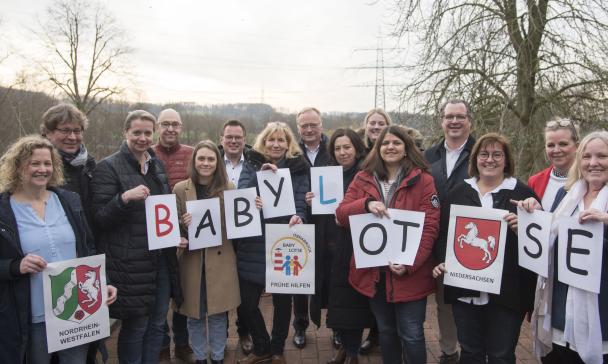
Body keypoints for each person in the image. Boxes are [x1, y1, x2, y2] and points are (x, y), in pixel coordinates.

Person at [0, 135, 117, 363]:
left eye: (47, 163)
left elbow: (87, 249)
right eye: (34, 163)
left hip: (74, 312)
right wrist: (15, 266)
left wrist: (103, 283)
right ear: (17, 167)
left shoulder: (69, 200)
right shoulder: (4, 210)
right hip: (31, 315)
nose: (42, 169)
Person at [336, 125, 440, 364]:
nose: (390, 147)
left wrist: (410, 263)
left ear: (406, 149)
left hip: (410, 274)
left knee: (412, 334)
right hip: (375, 273)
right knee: (386, 332)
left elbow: (430, 228)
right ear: (377, 148)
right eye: (385, 143)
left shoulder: (424, 181)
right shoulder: (363, 178)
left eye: (396, 143)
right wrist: (365, 204)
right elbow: (341, 215)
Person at [433, 133, 538, 364]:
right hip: (465, 290)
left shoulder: (522, 194)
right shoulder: (458, 193)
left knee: (501, 355)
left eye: (497, 154)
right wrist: (441, 260)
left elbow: (537, 245)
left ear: (506, 160)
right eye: (484, 154)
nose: (490, 160)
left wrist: (524, 227)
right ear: (475, 159)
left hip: (507, 292)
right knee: (471, 353)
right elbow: (443, 235)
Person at [90, 110, 183, 364]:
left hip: (160, 258)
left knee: (157, 324)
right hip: (130, 262)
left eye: (147, 133)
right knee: (136, 325)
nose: (142, 138)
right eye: (137, 133)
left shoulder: (156, 164)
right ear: (125, 133)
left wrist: (175, 231)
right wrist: (123, 198)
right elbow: (99, 218)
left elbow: (162, 210)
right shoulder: (108, 168)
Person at [518, 131, 608, 364]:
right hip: (559, 314)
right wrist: (536, 214)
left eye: (602, 156)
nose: (594, 163)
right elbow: (550, 242)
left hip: (601, 319)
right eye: (587, 157)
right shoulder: (566, 194)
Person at [235, 121, 310, 364]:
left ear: (289, 144)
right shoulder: (251, 164)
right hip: (254, 242)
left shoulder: (299, 168)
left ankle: (276, 349)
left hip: (285, 239)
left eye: (281, 140)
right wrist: (260, 177)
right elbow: (243, 195)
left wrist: (301, 215)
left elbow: (301, 200)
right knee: (247, 302)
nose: (276, 144)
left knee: (282, 301)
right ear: (263, 142)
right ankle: (262, 345)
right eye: (271, 140)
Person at [307, 128, 375, 364]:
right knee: (337, 304)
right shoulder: (327, 174)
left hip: (354, 249)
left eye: (347, 147)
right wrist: (310, 202)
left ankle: (352, 352)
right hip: (330, 248)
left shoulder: (367, 175)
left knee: (352, 306)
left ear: (357, 148)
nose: (342, 152)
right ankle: (345, 348)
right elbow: (321, 213)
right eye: (337, 148)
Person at [173, 141, 241, 364]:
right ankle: (201, 357)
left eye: (211, 159)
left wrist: (254, 205)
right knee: (195, 314)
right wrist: (184, 225)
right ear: (194, 161)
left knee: (218, 313)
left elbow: (238, 222)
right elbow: (173, 229)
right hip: (192, 261)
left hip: (220, 259)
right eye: (201, 158)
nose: (206, 163)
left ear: (217, 162)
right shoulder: (180, 189)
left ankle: (218, 356)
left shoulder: (229, 188)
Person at [424, 99, 476, 364]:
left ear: (469, 121)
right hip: (437, 241)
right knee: (444, 303)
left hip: (469, 241)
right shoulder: (428, 156)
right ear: (442, 121)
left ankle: (473, 350)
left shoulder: (482, 153)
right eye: (449, 117)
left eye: (460, 116)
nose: (454, 121)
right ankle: (448, 351)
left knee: (471, 301)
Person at [219, 119, 266, 355]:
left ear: (244, 139)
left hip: (248, 237)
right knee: (223, 285)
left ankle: (244, 331)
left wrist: (261, 203)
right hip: (220, 235)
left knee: (247, 290)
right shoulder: (211, 162)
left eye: (238, 137)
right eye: (229, 137)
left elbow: (270, 196)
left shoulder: (257, 163)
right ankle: (222, 334)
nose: (234, 141)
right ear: (222, 139)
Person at [152, 108, 194, 362]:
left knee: (183, 291)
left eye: (175, 124)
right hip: (154, 234)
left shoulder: (190, 154)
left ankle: (182, 342)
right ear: (158, 126)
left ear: (181, 127)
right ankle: (161, 344)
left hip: (185, 231)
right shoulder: (147, 153)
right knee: (159, 292)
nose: (170, 129)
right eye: (165, 124)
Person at [295, 107, 333, 349]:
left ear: (321, 125)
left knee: (331, 278)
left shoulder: (333, 151)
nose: (309, 129)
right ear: (298, 128)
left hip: (329, 226)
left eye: (313, 125)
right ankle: (299, 325)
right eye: (304, 126)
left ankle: (336, 327)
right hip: (299, 223)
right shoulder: (291, 151)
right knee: (300, 278)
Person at [528, 118, 579, 211]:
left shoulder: (589, 180)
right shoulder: (534, 181)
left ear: (577, 146)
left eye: (563, 144)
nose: (556, 150)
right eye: (551, 145)